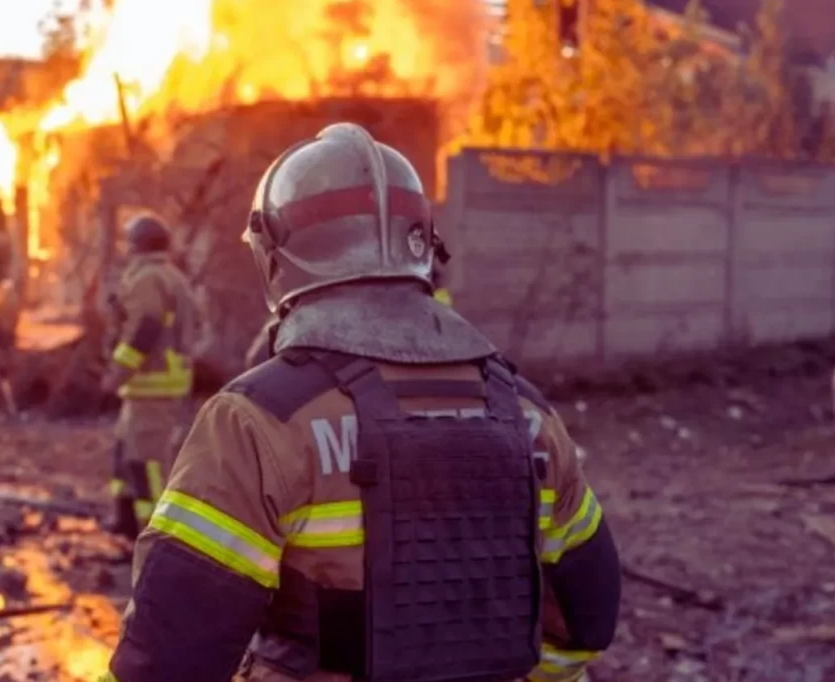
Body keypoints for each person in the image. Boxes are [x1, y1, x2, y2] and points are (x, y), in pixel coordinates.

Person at [100, 123, 620, 682]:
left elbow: (168, 659)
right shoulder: (530, 417)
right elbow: (587, 622)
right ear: (421, 245)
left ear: (276, 258)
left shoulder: (257, 424)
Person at [101, 212, 199, 541]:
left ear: (136, 245)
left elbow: (146, 327)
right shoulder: (170, 275)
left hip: (152, 384)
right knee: (126, 453)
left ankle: (160, 537)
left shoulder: (148, 278)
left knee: (149, 464)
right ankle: (127, 521)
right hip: (152, 386)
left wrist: (117, 372)